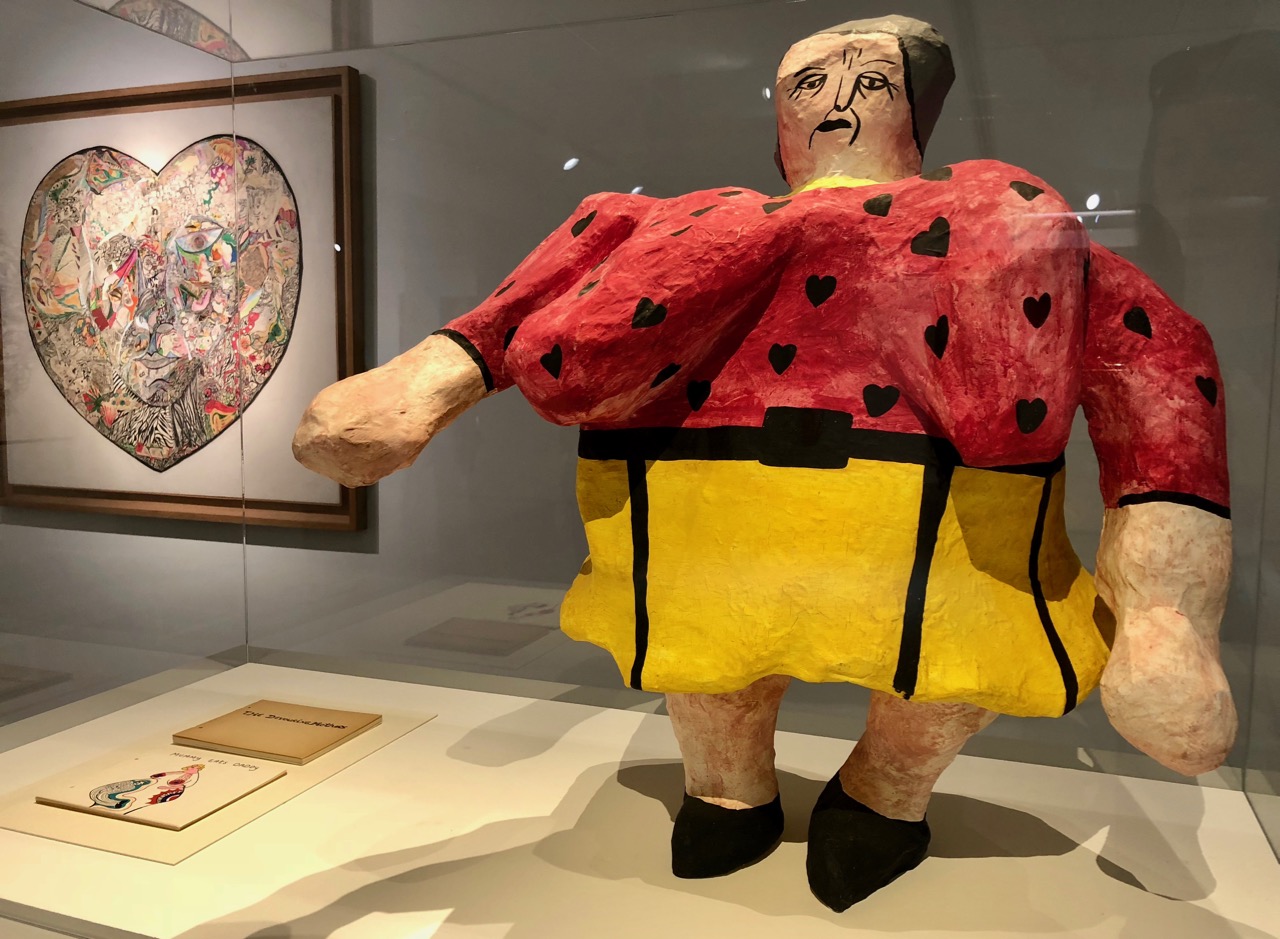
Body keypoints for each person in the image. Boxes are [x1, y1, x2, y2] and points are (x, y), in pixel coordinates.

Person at [293, 14, 1235, 910]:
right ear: (779, 119)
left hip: (945, 542)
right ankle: (727, 785)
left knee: (941, 678)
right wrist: (424, 381)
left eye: (872, 84)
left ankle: (886, 789)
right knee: (710, 666)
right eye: (809, 84)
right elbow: (529, 302)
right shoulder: (663, 223)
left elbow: (1160, 367)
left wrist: (1167, 610)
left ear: (918, 110)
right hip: (703, 526)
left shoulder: (1013, 229)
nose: (838, 103)